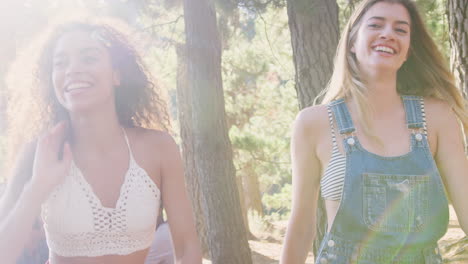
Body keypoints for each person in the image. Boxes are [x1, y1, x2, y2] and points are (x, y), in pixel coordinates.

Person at [281, 0, 467, 263]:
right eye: (376, 25)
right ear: (352, 43)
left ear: (408, 51)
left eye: (401, 30)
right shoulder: (314, 123)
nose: (388, 34)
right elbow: (301, 228)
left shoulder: (437, 117)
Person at [0, 21, 202, 264]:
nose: (72, 70)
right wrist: (37, 187)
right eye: (61, 63)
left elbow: (188, 248)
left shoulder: (159, 149)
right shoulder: (40, 152)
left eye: (88, 58)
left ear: (117, 74)